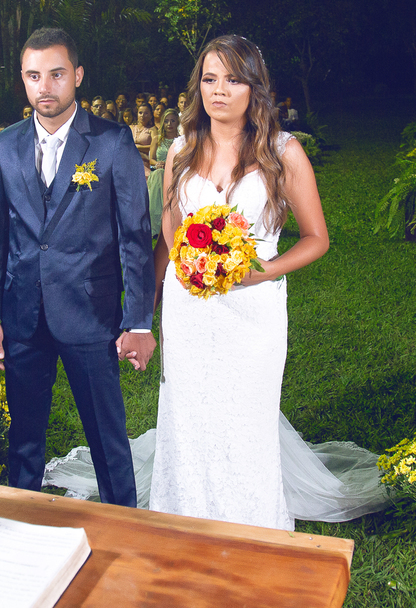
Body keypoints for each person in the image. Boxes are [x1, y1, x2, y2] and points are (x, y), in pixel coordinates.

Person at [148, 35, 381, 530]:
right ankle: (184, 519)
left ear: (254, 87)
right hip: (190, 308)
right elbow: (171, 222)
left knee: (246, 417)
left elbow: (317, 238)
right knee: (188, 414)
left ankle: (251, 525)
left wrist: (263, 271)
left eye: (233, 79)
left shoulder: (282, 152)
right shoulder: (180, 149)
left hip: (254, 312)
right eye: (210, 79)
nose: (219, 90)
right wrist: (186, 265)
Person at [0, 27, 156, 507]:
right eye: (34, 76)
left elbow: (135, 238)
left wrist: (139, 321)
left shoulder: (112, 142)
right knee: (24, 438)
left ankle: (123, 525)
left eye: (56, 74)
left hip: (90, 314)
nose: (45, 87)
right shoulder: (6, 145)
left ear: (77, 75)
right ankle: (22, 521)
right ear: (23, 79)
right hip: (22, 316)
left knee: (107, 439)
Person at [146, 108, 179, 239]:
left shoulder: (182, 140)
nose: (169, 124)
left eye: (172, 121)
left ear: (178, 122)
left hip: (176, 172)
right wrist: (158, 163)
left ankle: (169, 225)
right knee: (159, 174)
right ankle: (156, 226)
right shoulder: (157, 139)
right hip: (159, 171)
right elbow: (151, 159)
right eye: (166, 121)